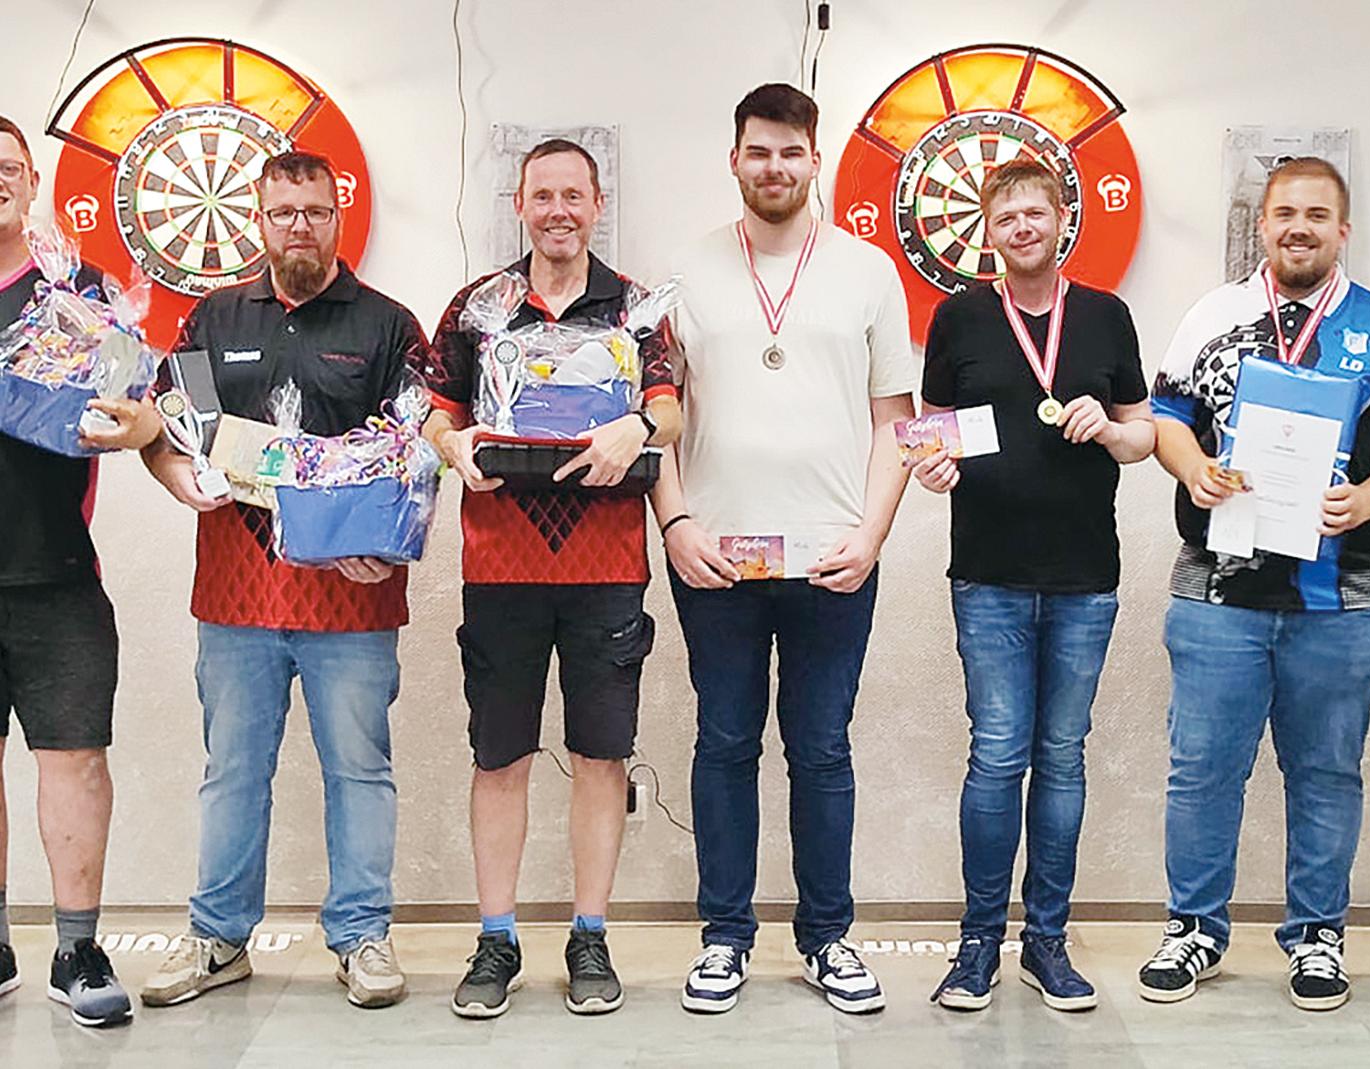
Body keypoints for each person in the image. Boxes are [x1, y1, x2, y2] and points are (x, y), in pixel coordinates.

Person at [1142, 157, 1370, 1011]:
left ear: (1342, 230)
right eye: (1285, 213)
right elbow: (1165, 417)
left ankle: (1317, 937)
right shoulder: (1213, 316)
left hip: (1341, 596)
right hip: (1218, 591)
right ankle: (1193, 928)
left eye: (1318, 214)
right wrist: (1194, 467)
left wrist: (1367, 499)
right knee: (1202, 770)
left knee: (1326, 773)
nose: (1300, 227)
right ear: (1263, 225)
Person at [139, 150, 429, 1010]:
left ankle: (362, 936)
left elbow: (416, 453)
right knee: (232, 770)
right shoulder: (212, 319)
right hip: (236, 596)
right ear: (258, 221)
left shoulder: (388, 326)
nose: (299, 226)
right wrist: (175, 477)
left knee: (360, 771)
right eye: (283, 213)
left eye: (314, 211)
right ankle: (219, 937)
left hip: (353, 596)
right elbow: (164, 425)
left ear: (338, 217)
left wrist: (388, 538)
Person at [654, 83, 917, 1016]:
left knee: (822, 749)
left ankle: (827, 937)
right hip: (715, 559)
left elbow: (896, 423)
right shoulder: (685, 273)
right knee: (725, 743)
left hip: (834, 558)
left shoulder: (869, 271)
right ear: (734, 159)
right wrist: (676, 525)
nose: (774, 167)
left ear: (816, 159)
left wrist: (871, 535)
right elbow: (657, 417)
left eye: (790, 152)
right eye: (758, 151)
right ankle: (724, 938)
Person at [423, 138, 681, 1018]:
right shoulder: (478, 307)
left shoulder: (637, 308)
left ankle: (590, 934)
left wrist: (638, 428)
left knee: (601, 756)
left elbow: (671, 409)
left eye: (574, 195)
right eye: (543, 195)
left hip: (607, 569)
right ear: (520, 205)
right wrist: (452, 444)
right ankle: (496, 937)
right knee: (499, 756)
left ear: (597, 204)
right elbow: (436, 414)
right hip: (501, 566)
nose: (559, 210)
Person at [913, 157, 1154, 1013]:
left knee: (1062, 755)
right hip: (988, 573)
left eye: (1035, 213)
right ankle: (979, 942)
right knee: (996, 753)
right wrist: (931, 466)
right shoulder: (960, 316)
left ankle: (1046, 939)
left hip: (1085, 575)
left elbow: (1144, 434)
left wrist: (1111, 430)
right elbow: (932, 431)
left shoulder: (1106, 316)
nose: (1022, 227)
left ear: (1062, 221)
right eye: (1006, 216)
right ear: (989, 230)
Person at [0, 115, 161, 1028]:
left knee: (75, 758)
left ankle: (76, 947)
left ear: (32, 182)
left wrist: (134, 426)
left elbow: (139, 412)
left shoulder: (83, 293)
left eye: (8, 167)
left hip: (57, 570)